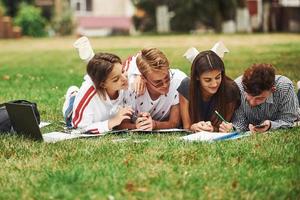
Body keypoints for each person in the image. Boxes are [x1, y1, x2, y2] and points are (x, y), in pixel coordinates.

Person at [62, 52, 133, 134]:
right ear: (103, 84)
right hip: (77, 114)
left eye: (123, 71)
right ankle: (73, 95)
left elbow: (137, 58)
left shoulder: (126, 81)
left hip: (105, 116)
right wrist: (111, 122)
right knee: (70, 113)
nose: (124, 78)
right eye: (116, 79)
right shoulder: (88, 94)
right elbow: (79, 128)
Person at [119, 48, 187, 130]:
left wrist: (155, 125)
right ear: (143, 78)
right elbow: (121, 124)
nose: (165, 85)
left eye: (167, 77)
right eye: (158, 82)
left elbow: (174, 122)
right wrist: (137, 126)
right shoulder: (129, 88)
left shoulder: (178, 81)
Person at [177, 50, 240, 132]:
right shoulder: (186, 86)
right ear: (197, 77)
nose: (214, 84)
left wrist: (216, 129)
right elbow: (187, 126)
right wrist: (192, 127)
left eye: (218, 77)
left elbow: (225, 124)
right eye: (207, 80)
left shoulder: (230, 90)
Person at [232, 63, 300, 133]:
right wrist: (234, 128)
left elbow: (288, 120)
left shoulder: (284, 87)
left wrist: (271, 125)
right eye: (249, 95)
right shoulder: (237, 88)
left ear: (272, 89)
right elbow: (239, 124)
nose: (252, 103)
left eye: (259, 98)